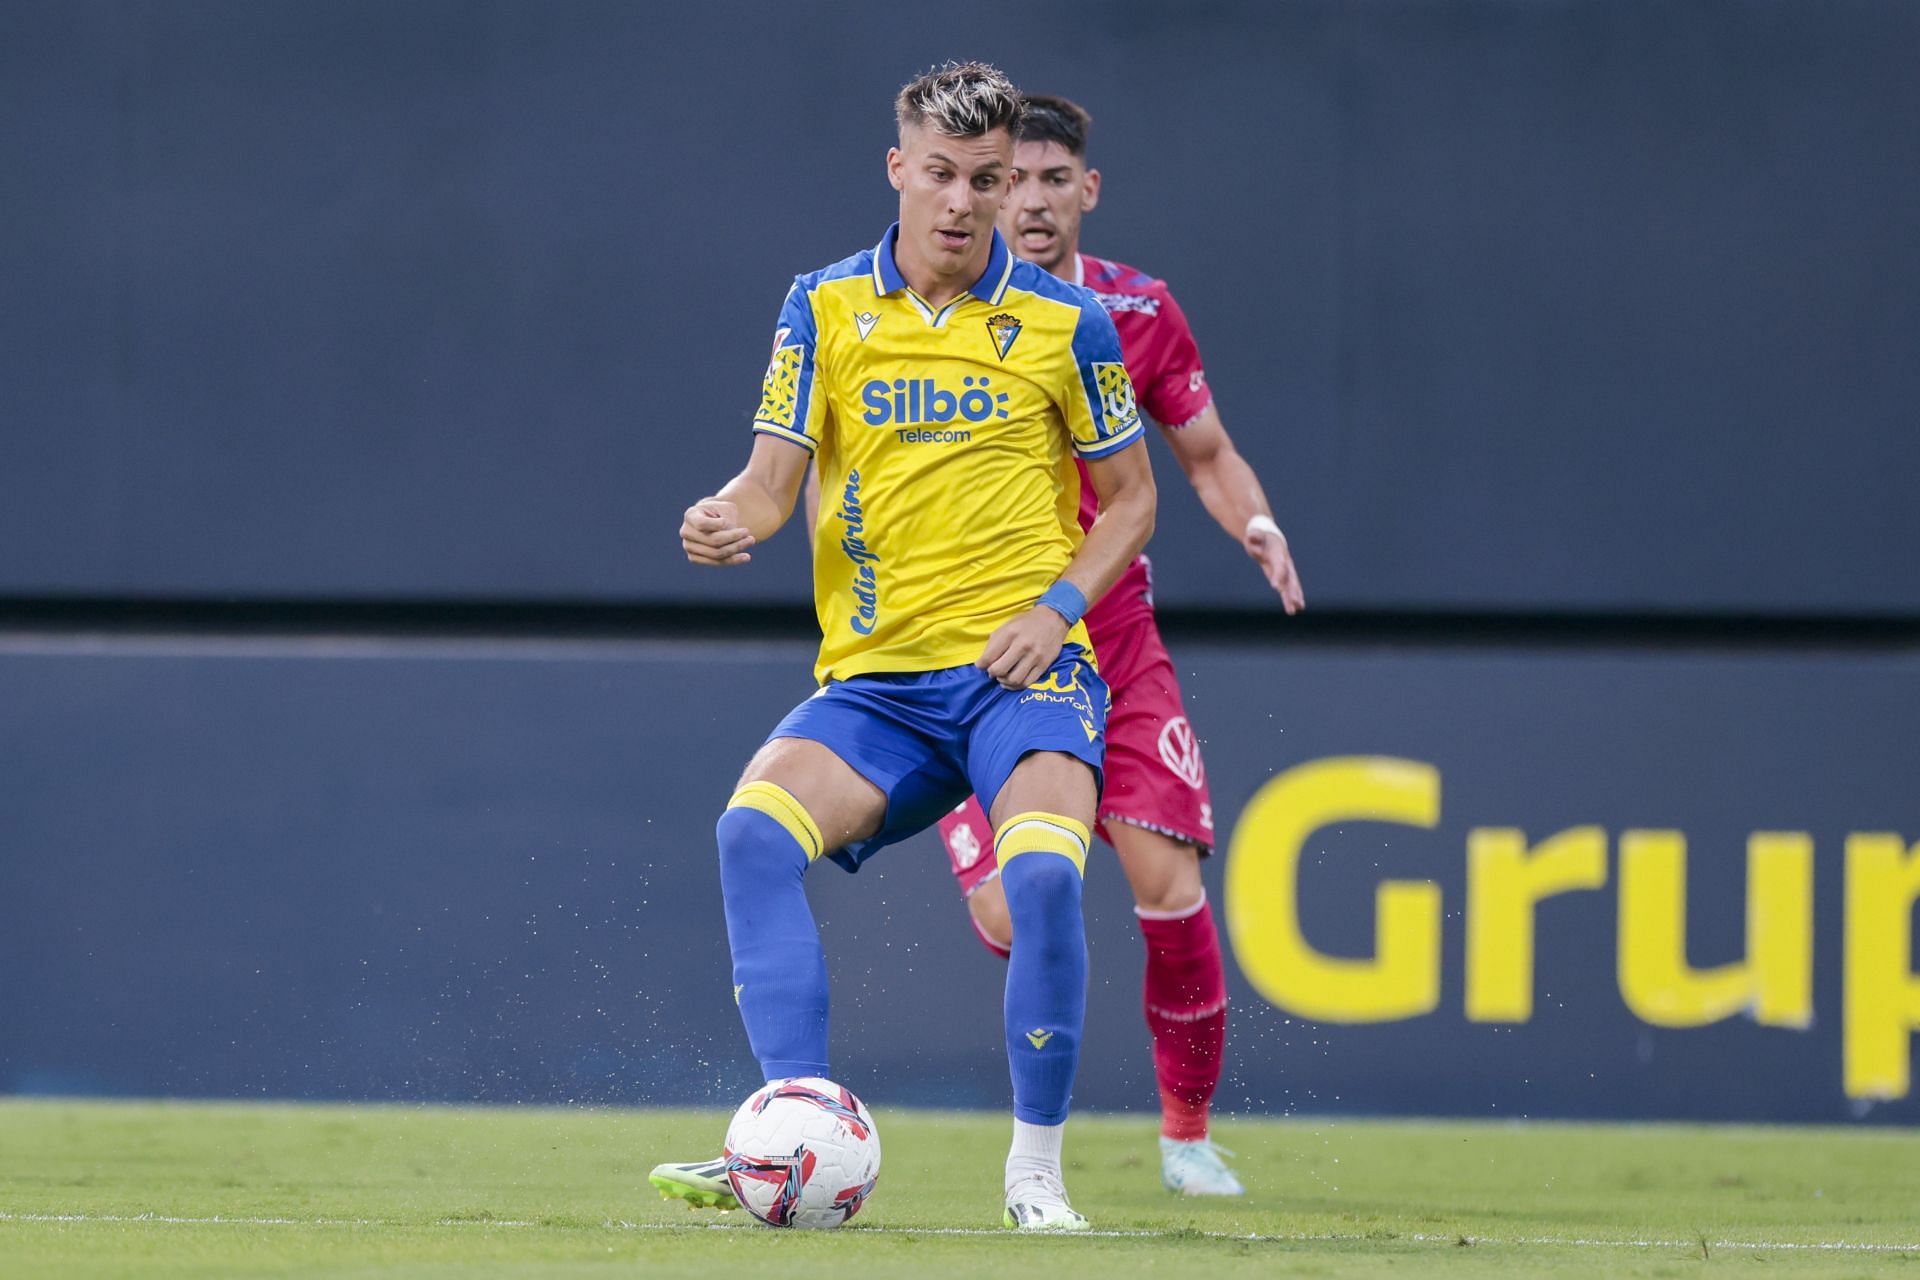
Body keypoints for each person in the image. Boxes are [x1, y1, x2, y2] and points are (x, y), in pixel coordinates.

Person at [650, 63, 1155, 1232]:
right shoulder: (823, 307)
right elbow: (773, 484)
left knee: (1038, 875)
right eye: (941, 174)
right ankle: (792, 1124)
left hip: (1018, 680)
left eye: (986, 179)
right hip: (879, 688)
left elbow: (1131, 499)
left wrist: (1060, 607)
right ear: (898, 169)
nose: (964, 202)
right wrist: (725, 515)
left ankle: (1036, 1173)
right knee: (749, 831)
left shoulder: (1064, 321)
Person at [934, 94, 1305, 1198]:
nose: (1033, 204)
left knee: (1166, 874)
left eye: (1056, 181)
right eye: (1015, 181)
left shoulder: (1137, 310)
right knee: (1012, 904)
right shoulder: (940, 310)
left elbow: (1206, 451)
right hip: (973, 637)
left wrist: (1258, 521)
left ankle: (1186, 1135)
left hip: (1111, 634)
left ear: (1086, 190)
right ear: (986, 187)